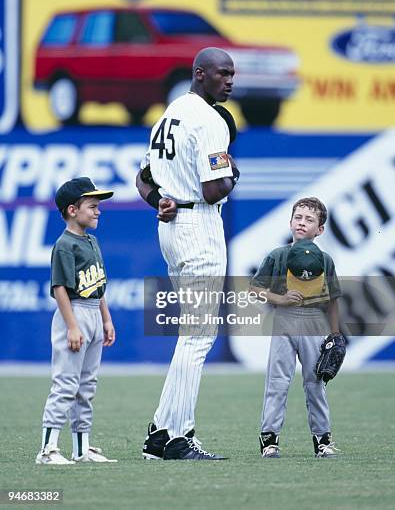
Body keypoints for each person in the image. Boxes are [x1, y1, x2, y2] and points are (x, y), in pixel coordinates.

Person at [136, 47, 240, 460]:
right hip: (199, 226)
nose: (230, 80)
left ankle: (162, 432)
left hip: (171, 225)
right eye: (223, 73)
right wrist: (233, 171)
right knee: (197, 337)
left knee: (190, 336)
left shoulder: (170, 112)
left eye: (232, 74)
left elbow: (142, 178)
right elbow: (215, 189)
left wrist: (159, 197)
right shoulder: (210, 120)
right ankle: (177, 438)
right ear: (201, 74)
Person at [250, 197, 342, 459]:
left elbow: (333, 299)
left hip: (314, 320)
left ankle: (323, 439)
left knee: (316, 381)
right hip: (284, 319)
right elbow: (255, 289)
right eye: (298, 217)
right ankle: (269, 439)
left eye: (310, 219)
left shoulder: (325, 260)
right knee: (277, 381)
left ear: (320, 229)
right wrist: (279, 299)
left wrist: (335, 335)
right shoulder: (277, 256)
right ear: (290, 221)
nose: (302, 222)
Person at [36, 177, 117, 465]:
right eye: (92, 206)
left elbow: (99, 285)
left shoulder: (91, 241)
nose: (98, 211)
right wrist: (72, 325)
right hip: (75, 313)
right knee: (66, 383)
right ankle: (47, 450)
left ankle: (81, 449)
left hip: (94, 310)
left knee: (87, 385)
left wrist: (106, 320)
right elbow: (60, 288)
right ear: (72, 210)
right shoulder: (65, 244)